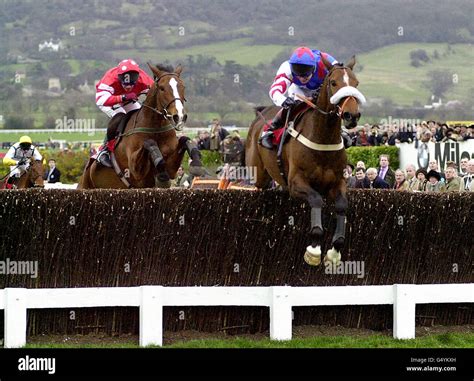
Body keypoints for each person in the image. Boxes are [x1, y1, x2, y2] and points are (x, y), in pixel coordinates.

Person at [259, 46, 352, 149]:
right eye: (297, 71)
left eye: (305, 71)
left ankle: (341, 130)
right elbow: (275, 90)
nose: (302, 76)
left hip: (321, 88)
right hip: (298, 89)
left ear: (313, 67)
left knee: (331, 103)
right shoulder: (286, 68)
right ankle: (269, 130)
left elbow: (340, 75)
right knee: (292, 106)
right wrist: (283, 100)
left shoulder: (325, 61)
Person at [95, 59, 155, 167]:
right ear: (119, 77)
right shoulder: (110, 78)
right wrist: (123, 96)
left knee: (139, 117)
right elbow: (100, 100)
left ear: (137, 78)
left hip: (127, 100)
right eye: (125, 84)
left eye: (132, 84)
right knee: (120, 116)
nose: (128, 87)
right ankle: (104, 150)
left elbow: (156, 94)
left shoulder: (144, 79)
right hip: (109, 100)